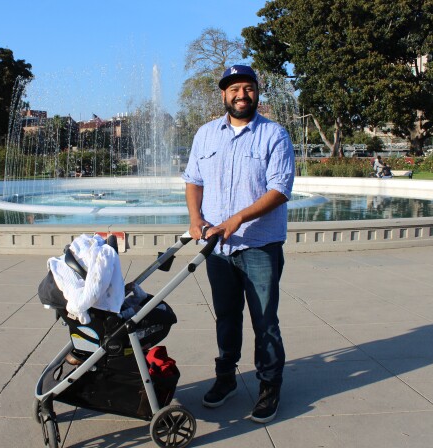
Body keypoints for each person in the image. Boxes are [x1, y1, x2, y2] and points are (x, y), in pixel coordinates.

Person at [182, 64, 295, 424]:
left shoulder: (274, 135)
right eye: (233, 90)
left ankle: (269, 386)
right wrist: (195, 218)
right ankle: (226, 378)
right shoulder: (205, 135)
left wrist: (237, 219)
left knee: (265, 321)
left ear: (257, 93)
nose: (240, 95)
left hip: (260, 246)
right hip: (219, 249)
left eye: (247, 88)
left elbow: (280, 190)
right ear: (223, 95)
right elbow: (193, 180)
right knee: (226, 318)